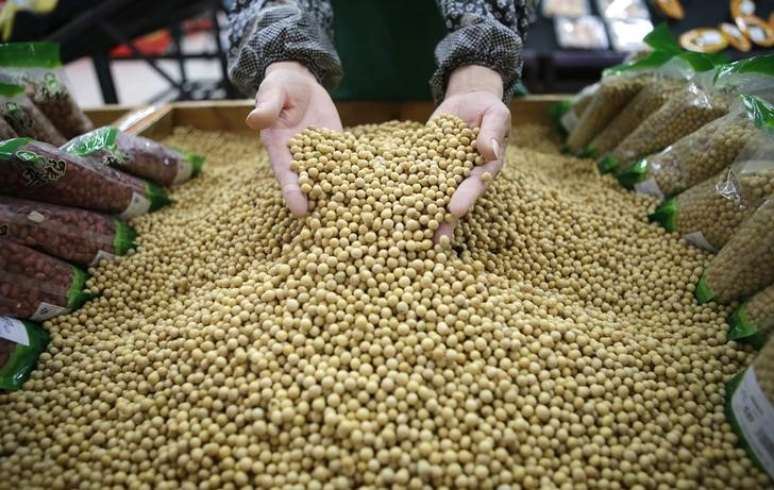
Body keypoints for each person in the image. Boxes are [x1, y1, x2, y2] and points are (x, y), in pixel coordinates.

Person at [225, 0, 536, 240]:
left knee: (484, 170)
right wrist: (286, 55)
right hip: (330, 85)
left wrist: (480, 64)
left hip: (475, 87)